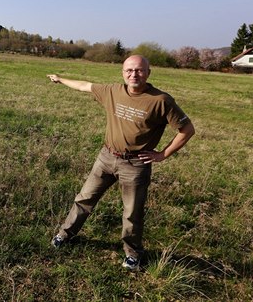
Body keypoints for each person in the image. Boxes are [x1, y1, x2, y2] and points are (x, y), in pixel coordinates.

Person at [46, 55, 195, 271]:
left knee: (132, 212)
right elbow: (84, 86)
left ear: (148, 73)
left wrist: (163, 154)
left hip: (135, 165)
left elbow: (187, 130)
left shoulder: (161, 100)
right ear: (123, 73)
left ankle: (133, 254)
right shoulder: (113, 91)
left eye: (139, 70)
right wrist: (60, 79)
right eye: (129, 70)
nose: (134, 74)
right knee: (85, 198)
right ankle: (64, 234)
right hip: (106, 157)